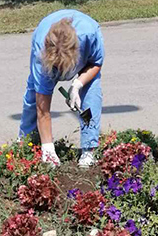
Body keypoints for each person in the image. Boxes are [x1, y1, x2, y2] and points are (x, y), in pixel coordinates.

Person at [19, 9, 105, 168]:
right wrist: (48, 148)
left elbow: (96, 63)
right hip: (45, 58)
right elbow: (42, 110)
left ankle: (89, 149)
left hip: (84, 55)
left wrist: (78, 84)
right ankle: (25, 144)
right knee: (34, 98)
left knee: (91, 97)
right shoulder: (41, 51)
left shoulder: (90, 35)